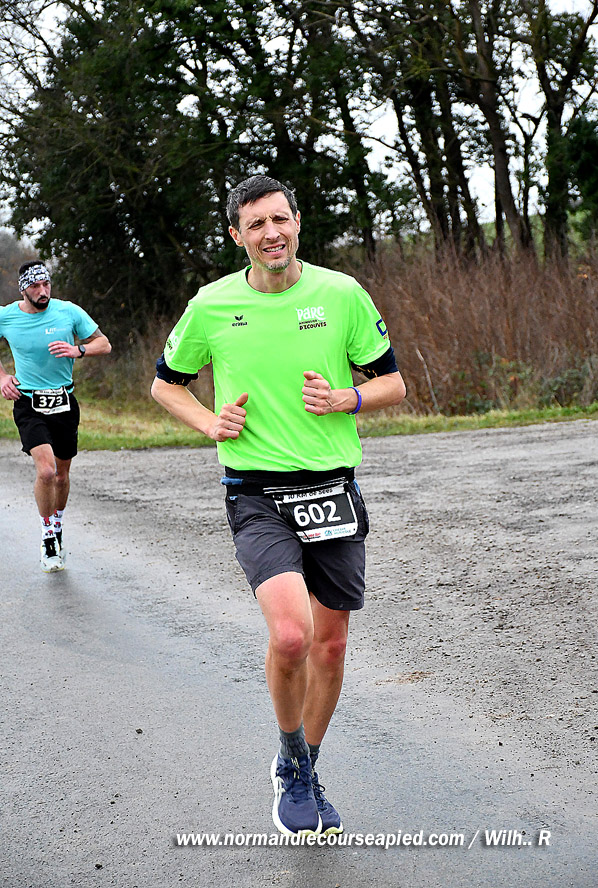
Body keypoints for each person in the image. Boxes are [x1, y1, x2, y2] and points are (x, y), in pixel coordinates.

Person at [151, 175, 405, 837]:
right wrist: (209, 422)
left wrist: (347, 398)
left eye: (279, 219)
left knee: (331, 645)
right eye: (256, 224)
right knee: (292, 635)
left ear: (297, 222)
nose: (271, 233)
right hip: (257, 492)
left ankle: (303, 767)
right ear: (237, 236)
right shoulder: (212, 305)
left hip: (332, 489)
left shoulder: (341, 293)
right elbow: (165, 385)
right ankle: (292, 760)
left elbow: (393, 383)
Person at [0, 260, 111, 572]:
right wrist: (2, 377)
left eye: (46, 284)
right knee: (47, 472)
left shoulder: (68, 311)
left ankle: (58, 525)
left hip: (63, 402)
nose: (43, 291)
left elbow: (103, 343)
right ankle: (48, 536)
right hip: (28, 402)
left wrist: (79, 351)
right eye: (35, 286)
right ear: (23, 290)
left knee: (61, 476)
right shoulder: (6, 316)